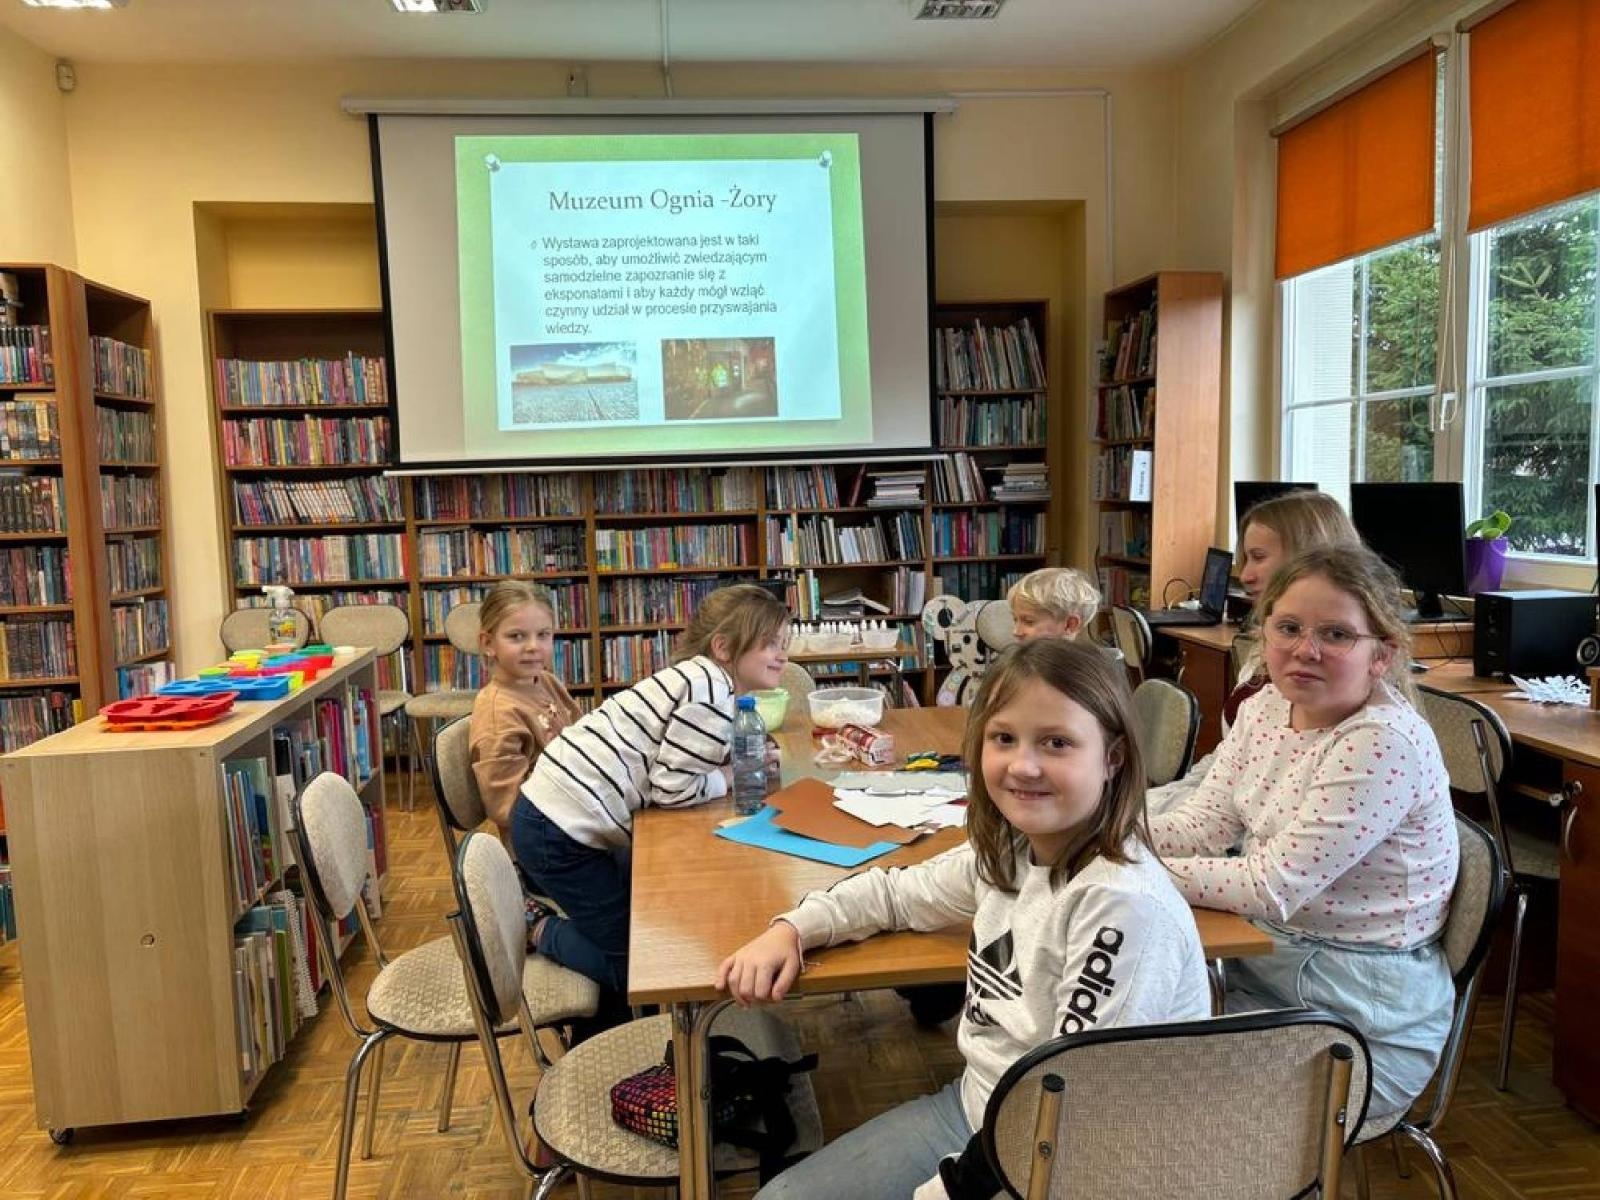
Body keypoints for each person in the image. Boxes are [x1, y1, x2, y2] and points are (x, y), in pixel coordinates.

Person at [718, 639, 1211, 1200]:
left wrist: (942, 1192)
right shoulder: (1013, 850)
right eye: (1004, 739)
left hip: (1070, 1160)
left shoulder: (1122, 903)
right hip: (980, 1108)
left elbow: (1074, 1104)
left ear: (1113, 758)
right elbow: (895, 894)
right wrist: (792, 928)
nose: (1023, 765)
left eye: (1057, 743)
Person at [1150, 544, 1460, 1122]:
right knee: (1113, 1053)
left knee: (1157, 1108)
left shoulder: (1382, 742)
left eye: (1337, 634)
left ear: (1382, 654)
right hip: (1269, 960)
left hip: (1358, 1010)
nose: (1305, 650)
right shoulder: (1267, 705)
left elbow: (1272, 884)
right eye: (1287, 627)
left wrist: (1129, 865)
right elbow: (1207, 824)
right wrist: (1107, 833)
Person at [513, 583, 789, 1000]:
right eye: (769, 644)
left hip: (556, 812)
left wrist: (731, 762)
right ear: (725, 648)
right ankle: (539, 929)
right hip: (557, 831)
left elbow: (678, 757)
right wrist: (731, 776)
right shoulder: (711, 689)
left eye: (784, 644)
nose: (782, 655)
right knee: (639, 968)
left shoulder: (702, 678)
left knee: (647, 933)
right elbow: (673, 790)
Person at [1147, 489, 1361, 816]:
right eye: (1245, 559)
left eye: (1258, 558)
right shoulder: (1262, 653)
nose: (1245, 575)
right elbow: (1227, 763)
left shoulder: (1343, 697)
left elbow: (1273, 830)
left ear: (1307, 557)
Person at [468, 581, 581, 839]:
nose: (533, 646)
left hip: (575, 817)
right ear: (488, 643)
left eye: (543, 634)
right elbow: (508, 809)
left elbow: (583, 741)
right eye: (517, 636)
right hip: (544, 843)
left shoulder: (547, 681)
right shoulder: (498, 715)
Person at [1006, 566, 1100, 643]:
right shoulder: (1014, 662)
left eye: (1029, 621)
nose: (1016, 632)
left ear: (1070, 625)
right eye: (1015, 620)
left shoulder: (1087, 665)